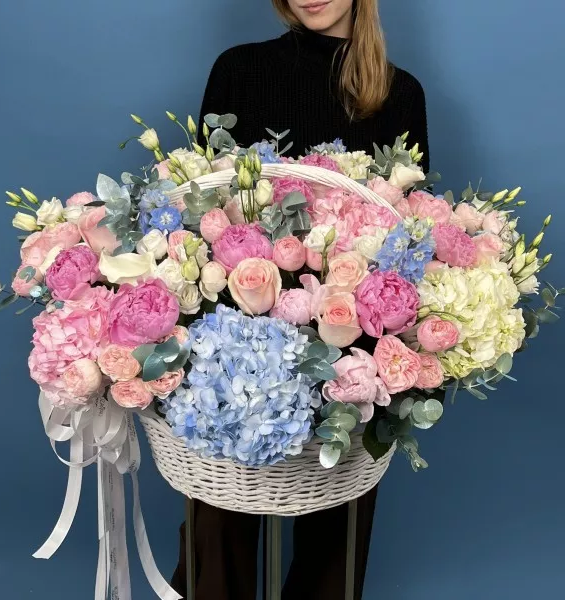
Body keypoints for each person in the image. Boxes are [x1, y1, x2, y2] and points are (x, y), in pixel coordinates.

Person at [171, 1, 430, 599]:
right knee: (222, 497)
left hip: (351, 329)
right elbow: (200, 208)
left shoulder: (400, 93)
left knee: (339, 509)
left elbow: (409, 229)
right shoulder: (239, 68)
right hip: (237, 322)